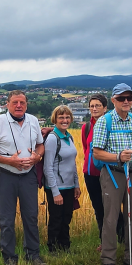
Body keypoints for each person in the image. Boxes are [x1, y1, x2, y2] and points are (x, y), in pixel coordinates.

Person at [0, 90, 46, 265]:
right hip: (6, 176)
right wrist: (10, 161)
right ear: (7, 104)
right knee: (7, 220)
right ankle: (9, 258)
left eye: (22, 103)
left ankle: (33, 255)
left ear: (26, 105)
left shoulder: (33, 121)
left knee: (31, 217)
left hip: (29, 176)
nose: (19, 106)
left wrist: (37, 157)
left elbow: (40, 145)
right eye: (15, 102)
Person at [92, 83, 132, 265]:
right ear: (114, 100)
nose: (126, 102)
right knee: (111, 217)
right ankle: (108, 259)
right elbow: (96, 153)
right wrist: (117, 157)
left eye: (129, 98)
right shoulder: (104, 122)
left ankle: (131, 259)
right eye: (122, 98)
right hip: (113, 174)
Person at [81, 94, 123, 248]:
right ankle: (104, 241)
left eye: (98, 105)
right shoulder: (86, 128)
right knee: (99, 208)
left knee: (114, 209)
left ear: (105, 108)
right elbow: (87, 150)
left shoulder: (111, 125)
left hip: (109, 174)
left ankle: (122, 238)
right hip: (90, 174)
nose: (94, 108)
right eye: (92, 106)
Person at [43, 105, 81, 253]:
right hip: (57, 187)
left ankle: (65, 247)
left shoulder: (69, 137)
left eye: (67, 117)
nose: (65, 120)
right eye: (61, 118)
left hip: (70, 186)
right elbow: (48, 168)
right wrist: (55, 192)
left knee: (66, 218)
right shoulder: (53, 139)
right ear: (55, 119)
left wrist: (76, 185)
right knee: (56, 219)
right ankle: (52, 248)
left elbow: (73, 163)